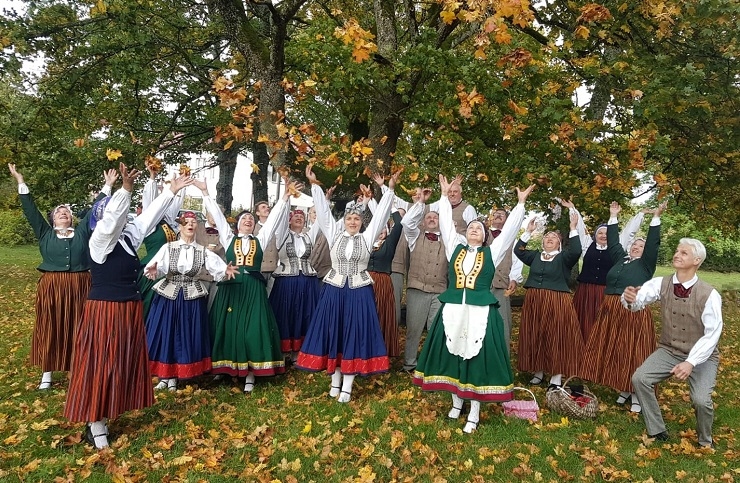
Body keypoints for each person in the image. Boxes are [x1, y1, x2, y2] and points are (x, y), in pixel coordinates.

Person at [64, 163, 192, 449]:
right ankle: (95, 420)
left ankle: (107, 411)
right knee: (101, 363)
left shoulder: (127, 238)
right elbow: (112, 220)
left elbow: (147, 219)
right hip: (104, 311)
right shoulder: (99, 241)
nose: (120, 216)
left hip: (128, 309)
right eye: (114, 212)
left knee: (120, 361)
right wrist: (124, 189)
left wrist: (170, 190)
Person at [413, 176, 533, 433]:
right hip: (454, 309)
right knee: (452, 354)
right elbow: (446, 224)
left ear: (486, 234)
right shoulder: (455, 247)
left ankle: (475, 411)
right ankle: (456, 403)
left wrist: (520, 204)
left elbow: (510, 230)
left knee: (476, 359)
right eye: (471, 228)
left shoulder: (493, 251)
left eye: (479, 228)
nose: (474, 229)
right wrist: (444, 197)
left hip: (479, 312)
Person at [296, 165, 400, 403]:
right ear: (343, 220)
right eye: (349, 218)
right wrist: (315, 186)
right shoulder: (334, 234)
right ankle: (335, 379)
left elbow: (383, 215)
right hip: (334, 289)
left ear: (362, 222)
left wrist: (389, 190)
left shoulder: (367, 236)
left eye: (356, 219)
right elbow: (323, 213)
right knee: (335, 332)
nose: (353, 221)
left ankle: (348, 384)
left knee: (354, 333)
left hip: (359, 291)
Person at [8, 163, 115, 390]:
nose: (63, 213)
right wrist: (20, 181)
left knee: (79, 326)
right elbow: (30, 210)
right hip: (53, 286)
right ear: (52, 219)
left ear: (72, 217)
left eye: (66, 211)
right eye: (59, 212)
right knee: (51, 326)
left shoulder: (83, 231)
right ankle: (47, 372)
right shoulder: (44, 233)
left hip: (80, 285)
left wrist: (108, 186)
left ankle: (77, 368)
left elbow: (97, 208)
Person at [626, 238, 722, 448]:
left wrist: (691, 362)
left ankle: (705, 440)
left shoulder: (710, 294)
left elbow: (712, 335)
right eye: (677, 251)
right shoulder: (662, 283)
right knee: (640, 378)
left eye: (684, 253)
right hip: (669, 350)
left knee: (700, 400)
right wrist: (630, 299)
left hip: (702, 356)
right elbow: (638, 302)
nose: (677, 255)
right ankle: (657, 430)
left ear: (697, 260)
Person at [204, 179, 297, 392]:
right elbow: (218, 218)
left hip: (253, 288)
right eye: (244, 218)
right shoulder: (229, 238)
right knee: (226, 327)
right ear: (237, 224)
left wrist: (283, 198)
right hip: (231, 287)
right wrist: (206, 193)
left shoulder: (260, 239)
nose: (248, 220)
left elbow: (272, 221)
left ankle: (251, 372)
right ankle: (223, 368)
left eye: (251, 219)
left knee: (252, 328)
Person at [144, 193, 238, 391]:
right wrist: (154, 270)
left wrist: (226, 271)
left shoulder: (202, 251)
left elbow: (217, 268)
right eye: (186, 222)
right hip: (168, 294)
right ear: (180, 226)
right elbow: (157, 266)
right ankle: (165, 375)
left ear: (197, 227)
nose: (190, 225)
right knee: (167, 332)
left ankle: (179, 374)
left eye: (193, 222)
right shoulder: (169, 247)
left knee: (185, 333)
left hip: (191, 296)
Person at [579, 201, 665, 413]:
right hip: (610, 308)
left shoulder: (646, 264)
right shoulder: (620, 258)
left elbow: (653, 244)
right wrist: (613, 216)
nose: (636, 247)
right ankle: (623, 388)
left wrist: (655, 218)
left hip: (632, 311)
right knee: (617, 350)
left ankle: (636, 393)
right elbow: (614, 242)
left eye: (641, 246)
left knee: (632, 351)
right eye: (635, 245)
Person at [515, 210, 584, 389]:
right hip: (534, 301)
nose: (549, 238)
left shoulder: (564, 258)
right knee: (535, 334)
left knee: (556, 336)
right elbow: (518, 250)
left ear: (559, 243)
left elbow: (576, 250)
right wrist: (528, 232)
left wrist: (573, 228)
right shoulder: (535, 256)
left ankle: (556, 377)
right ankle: (537, 371)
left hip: (556, 301)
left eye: (554, 237)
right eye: (546, 236)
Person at [568, 199, 645, 340]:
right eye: (600, 233)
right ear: (595, 236)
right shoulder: (587, 245)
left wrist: (640, 215)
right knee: (582, 321)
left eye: (606, 233)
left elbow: (629, 232)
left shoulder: (617, 248)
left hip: (605, 292)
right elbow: (580, 228)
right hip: (585, 292)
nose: (603, 236)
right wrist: (572, 209)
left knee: (601, 324)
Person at [400, 191, 448, 373]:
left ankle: (432, 364)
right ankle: (410, 364)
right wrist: (420, 203)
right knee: (413, 329)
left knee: (436, 331)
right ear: (422, 221)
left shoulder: (449, 241)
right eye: (428, 217)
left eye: (435, 217)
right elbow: (406, 222)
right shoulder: (414, 237)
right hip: (417, 289)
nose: (432, 219)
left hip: (439, 291)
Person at [269, 207, 321, 363]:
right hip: (286, 280)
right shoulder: (282, 234)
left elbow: (321, 222)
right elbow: (282, 215)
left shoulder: (308, 236)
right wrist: (287, 196)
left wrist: (323, 200)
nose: (299, 218)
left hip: (306, 281)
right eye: (295, 216)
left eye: (301, 216)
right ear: (289, 220)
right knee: (286, 313)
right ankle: (283, 350)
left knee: (304, 313)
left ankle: (299, 352)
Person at [137, 166, 184, 321]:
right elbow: (150, 204)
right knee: (150, 304)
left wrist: (181, 184)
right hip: (153, 270)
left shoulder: (170, 224)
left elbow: (175, 202)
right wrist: (152, 178)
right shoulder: (149, 226)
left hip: (170, 270)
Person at [485, 208, 524, 349]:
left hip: (502, 286)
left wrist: (514, 279)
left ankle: (503, 357)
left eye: (502, 215)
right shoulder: (482, 234)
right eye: (495, 214)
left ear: (507, 219)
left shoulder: (512, 239)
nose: (498, 216)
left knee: (503, 323)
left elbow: (517, 260)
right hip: (482, 286)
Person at [255, 200, 280, 296]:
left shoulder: (276, 228)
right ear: (257, 213)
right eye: (263, 207)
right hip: (259, 269)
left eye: (268, 207)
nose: (267, 208)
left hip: (274, 269)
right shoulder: (253, 228)